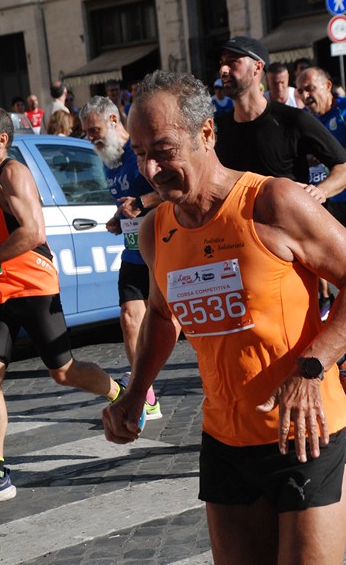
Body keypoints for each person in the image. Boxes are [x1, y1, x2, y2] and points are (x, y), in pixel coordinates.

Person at [102, 70, 346, 565]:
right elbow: (161, 315)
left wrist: (314, 365)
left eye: (164, 150)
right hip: (224, 441)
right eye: (139, 152)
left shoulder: (272, 203)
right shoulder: (155, 230)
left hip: (306, 433)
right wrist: (134, 393)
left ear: (207, 135)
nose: (150, 168)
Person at [0, 105, 139, 505]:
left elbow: (33, 232)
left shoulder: (13, 174)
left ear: (1, 140)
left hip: (33, 287)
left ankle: (122, 393)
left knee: (64, 372)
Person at [80, 96, 163, 420]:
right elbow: (128, 204)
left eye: (95, 130)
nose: (91, 138)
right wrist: (120, 218)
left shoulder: (141, 149)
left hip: (164, 246)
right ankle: (146, 395)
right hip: (133, 249)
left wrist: (141, 204)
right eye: (87, 132)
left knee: (174, 320)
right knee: (130, 318)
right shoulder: (107, 156)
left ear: (114, 121)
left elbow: (173, 188)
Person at [215, 36, 346, 197]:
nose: (223, 70)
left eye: (232, 62)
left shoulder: (293, 119)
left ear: (257, 67)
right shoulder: (216, 130)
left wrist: (319, 192)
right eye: (221, 63)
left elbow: (342, 166)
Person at [297, 66, 346, 327]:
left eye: (310, 89)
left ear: (327, 86)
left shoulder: (344, 111)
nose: (305, 95)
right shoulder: (304, 120)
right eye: (301, 90)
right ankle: (325, 303)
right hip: (324, 203)